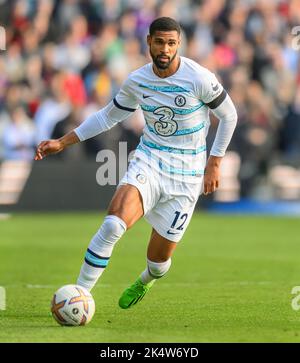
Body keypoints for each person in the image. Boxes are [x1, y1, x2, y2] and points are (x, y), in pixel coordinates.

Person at [35, 17, 238, 309]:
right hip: (150, 161)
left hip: (187, 174)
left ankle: (145, 280)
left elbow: (230, 115)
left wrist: (215, 163)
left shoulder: (199, 78)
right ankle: (79, 296)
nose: (165, 49)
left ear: (178, 44)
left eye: (171, 43)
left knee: (158, 263)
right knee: (112, 226)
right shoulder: (137, 80)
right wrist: (63, 142)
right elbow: (107, 116)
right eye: (159, 42)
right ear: (149, 43)